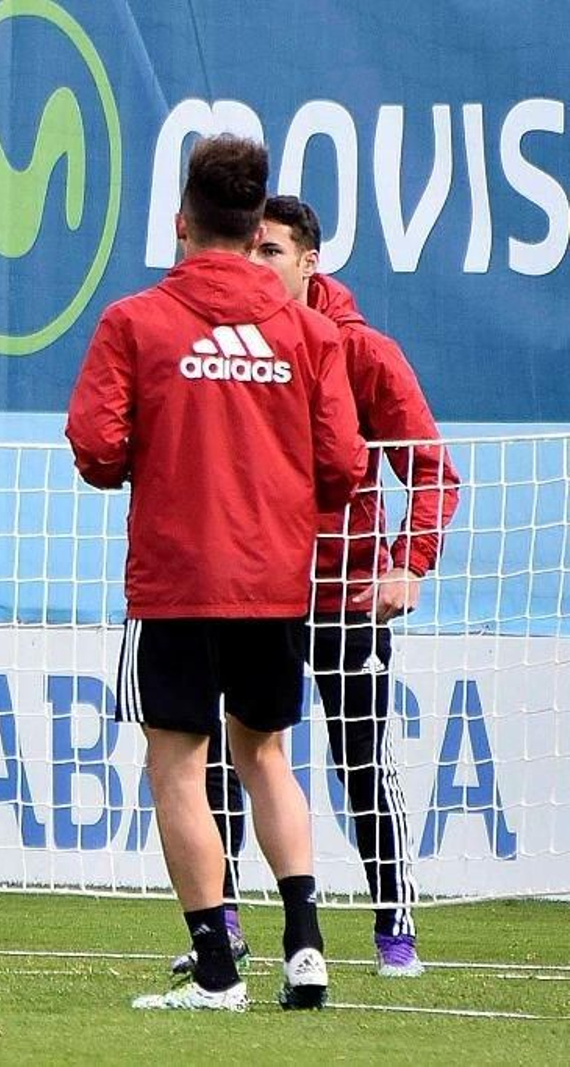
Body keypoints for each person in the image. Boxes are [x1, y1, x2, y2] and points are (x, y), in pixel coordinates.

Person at [67, 136, 367, 1011]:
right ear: (250, 230)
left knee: (178, 764)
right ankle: (305, 948)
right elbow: (345, 465)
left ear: (182, 224)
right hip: (275, 578)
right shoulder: (309, 332)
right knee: (267, 753)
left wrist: (159, 457)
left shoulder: (137, 320)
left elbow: (95, 444)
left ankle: (217, 968)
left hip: (179, 575)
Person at [172, 196, 460, 980]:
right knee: (236, 756)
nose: (257, 266)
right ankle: (222, 923)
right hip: (259, 587)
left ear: (309, 262)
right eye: (251, 251)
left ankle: (395, 926)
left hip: (344, 590)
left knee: (361, 758)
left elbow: (430, 466)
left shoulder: (362, 352)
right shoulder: (229, 342)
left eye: (272, 253)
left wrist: (409, 560)